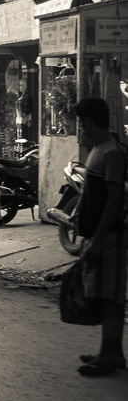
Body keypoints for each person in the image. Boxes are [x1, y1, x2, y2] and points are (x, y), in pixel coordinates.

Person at [72, 97, 126, 376]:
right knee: (105, 296)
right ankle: (111, 353)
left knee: (110, 298)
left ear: (90, 122)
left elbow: (114, 201)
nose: (81, 129)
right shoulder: (98, 151)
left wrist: (99, 238)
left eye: (81, 123)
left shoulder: (112, 153)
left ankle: (109, 355)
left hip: (110, 237)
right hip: (98, 236)